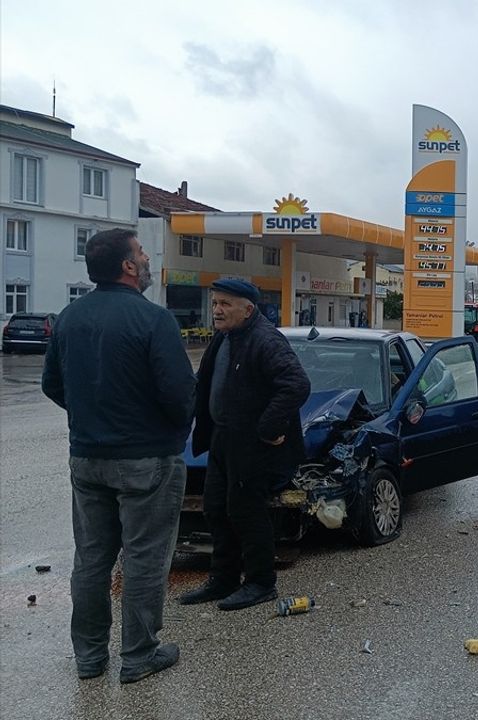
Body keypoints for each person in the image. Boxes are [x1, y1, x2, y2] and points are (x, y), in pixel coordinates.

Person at [42, 228, 196, 683]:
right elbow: (179, 394)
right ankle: (138, 655)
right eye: (142, 253)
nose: (147, 259)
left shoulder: (70, 317)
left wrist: (92, 416)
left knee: (91, 558)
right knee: (145, 559)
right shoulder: (153, 319)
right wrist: (170, 429)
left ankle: (90, 658)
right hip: (147, 459)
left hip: (87, 458)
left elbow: (53, 384)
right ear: (128, 267)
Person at [178, 279, 310, 611]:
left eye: (225, 304)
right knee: (217, 509)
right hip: (224, 439)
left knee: (246, 512)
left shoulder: (265, 340)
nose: (217, 310)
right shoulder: (225, 337)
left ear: (247, 309)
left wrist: (267, 428)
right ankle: (223, 579)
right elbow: (205, 382)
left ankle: (260, 583)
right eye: (215, 303)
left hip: (253, 445)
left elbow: (296, 384)